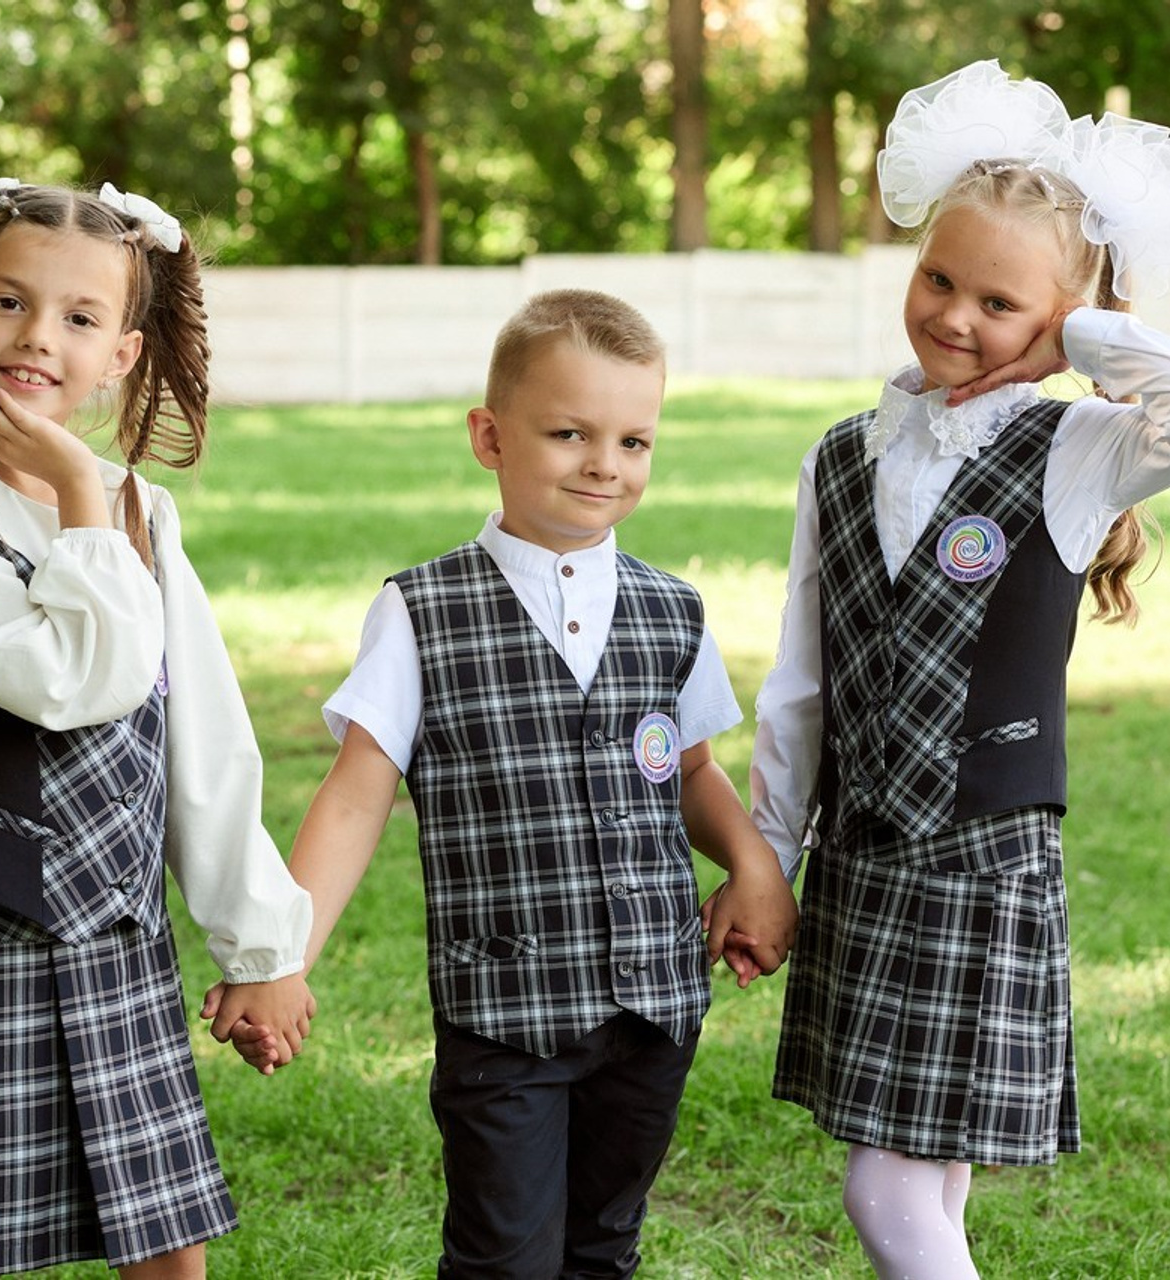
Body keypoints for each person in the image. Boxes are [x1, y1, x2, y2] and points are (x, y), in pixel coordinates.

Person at [209, 288, 799, 1277]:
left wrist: (750, 864)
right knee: (504, 1256)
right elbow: (357, 794)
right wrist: (281, 955)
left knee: (602, 1243)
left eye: (633, 440)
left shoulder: (671, 608)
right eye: (569, 432)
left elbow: (691, 769)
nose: (604, 463)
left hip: (652, 1003)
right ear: (489, 434)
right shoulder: (420, 610)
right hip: (504, 1011)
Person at [743, 60, 1170, 1279]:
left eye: (1000, 301)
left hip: (978, 856)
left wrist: (1084, 324)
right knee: (924, 1175)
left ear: (1053, 319)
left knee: (883, 1188)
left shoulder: (1076, 448)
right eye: (938, 277)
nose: (954, 317)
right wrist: (769, 852)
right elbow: (799, 683)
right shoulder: (838, 456)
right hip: (863, 854)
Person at [0, 179, 316, 1279]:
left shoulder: (143, 516)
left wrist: (259, 945)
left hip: (118, 947)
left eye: (79, 318)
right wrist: (81, 483)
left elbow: (203, 742)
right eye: (8, 302)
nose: (40, 338)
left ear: (121, 354)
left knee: (167, 1245)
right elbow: (76, 680)